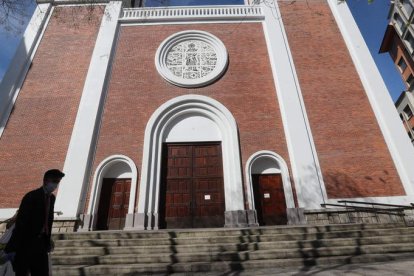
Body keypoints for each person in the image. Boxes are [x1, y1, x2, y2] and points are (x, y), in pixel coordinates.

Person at [5, 169, 65, 276]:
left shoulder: (52, 198)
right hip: (25, 243)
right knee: (22, 272)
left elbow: (48, 219)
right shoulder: (31, 196)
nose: (55, 184)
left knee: (42, 272)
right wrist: (13, 247)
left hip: (41, 243)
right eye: (54, 181)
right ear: (45, 180)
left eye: (58, 182)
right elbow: (21, 222)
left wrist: (47, 238)